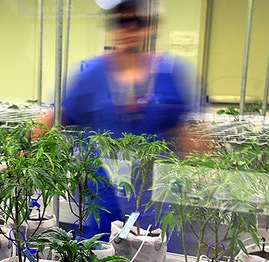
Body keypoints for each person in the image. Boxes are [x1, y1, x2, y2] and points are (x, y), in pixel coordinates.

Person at [36, 0, 201, 238]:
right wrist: (21, 153)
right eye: (122, 21)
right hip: (103, 194)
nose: (130, 28)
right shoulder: (92, 74)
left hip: (153, 195)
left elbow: (187, 132)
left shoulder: (170, 73)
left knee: (152, 249)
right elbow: (56, 116)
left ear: (152, 27)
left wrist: (204, 176)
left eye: (138, 21)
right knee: (101, 247)